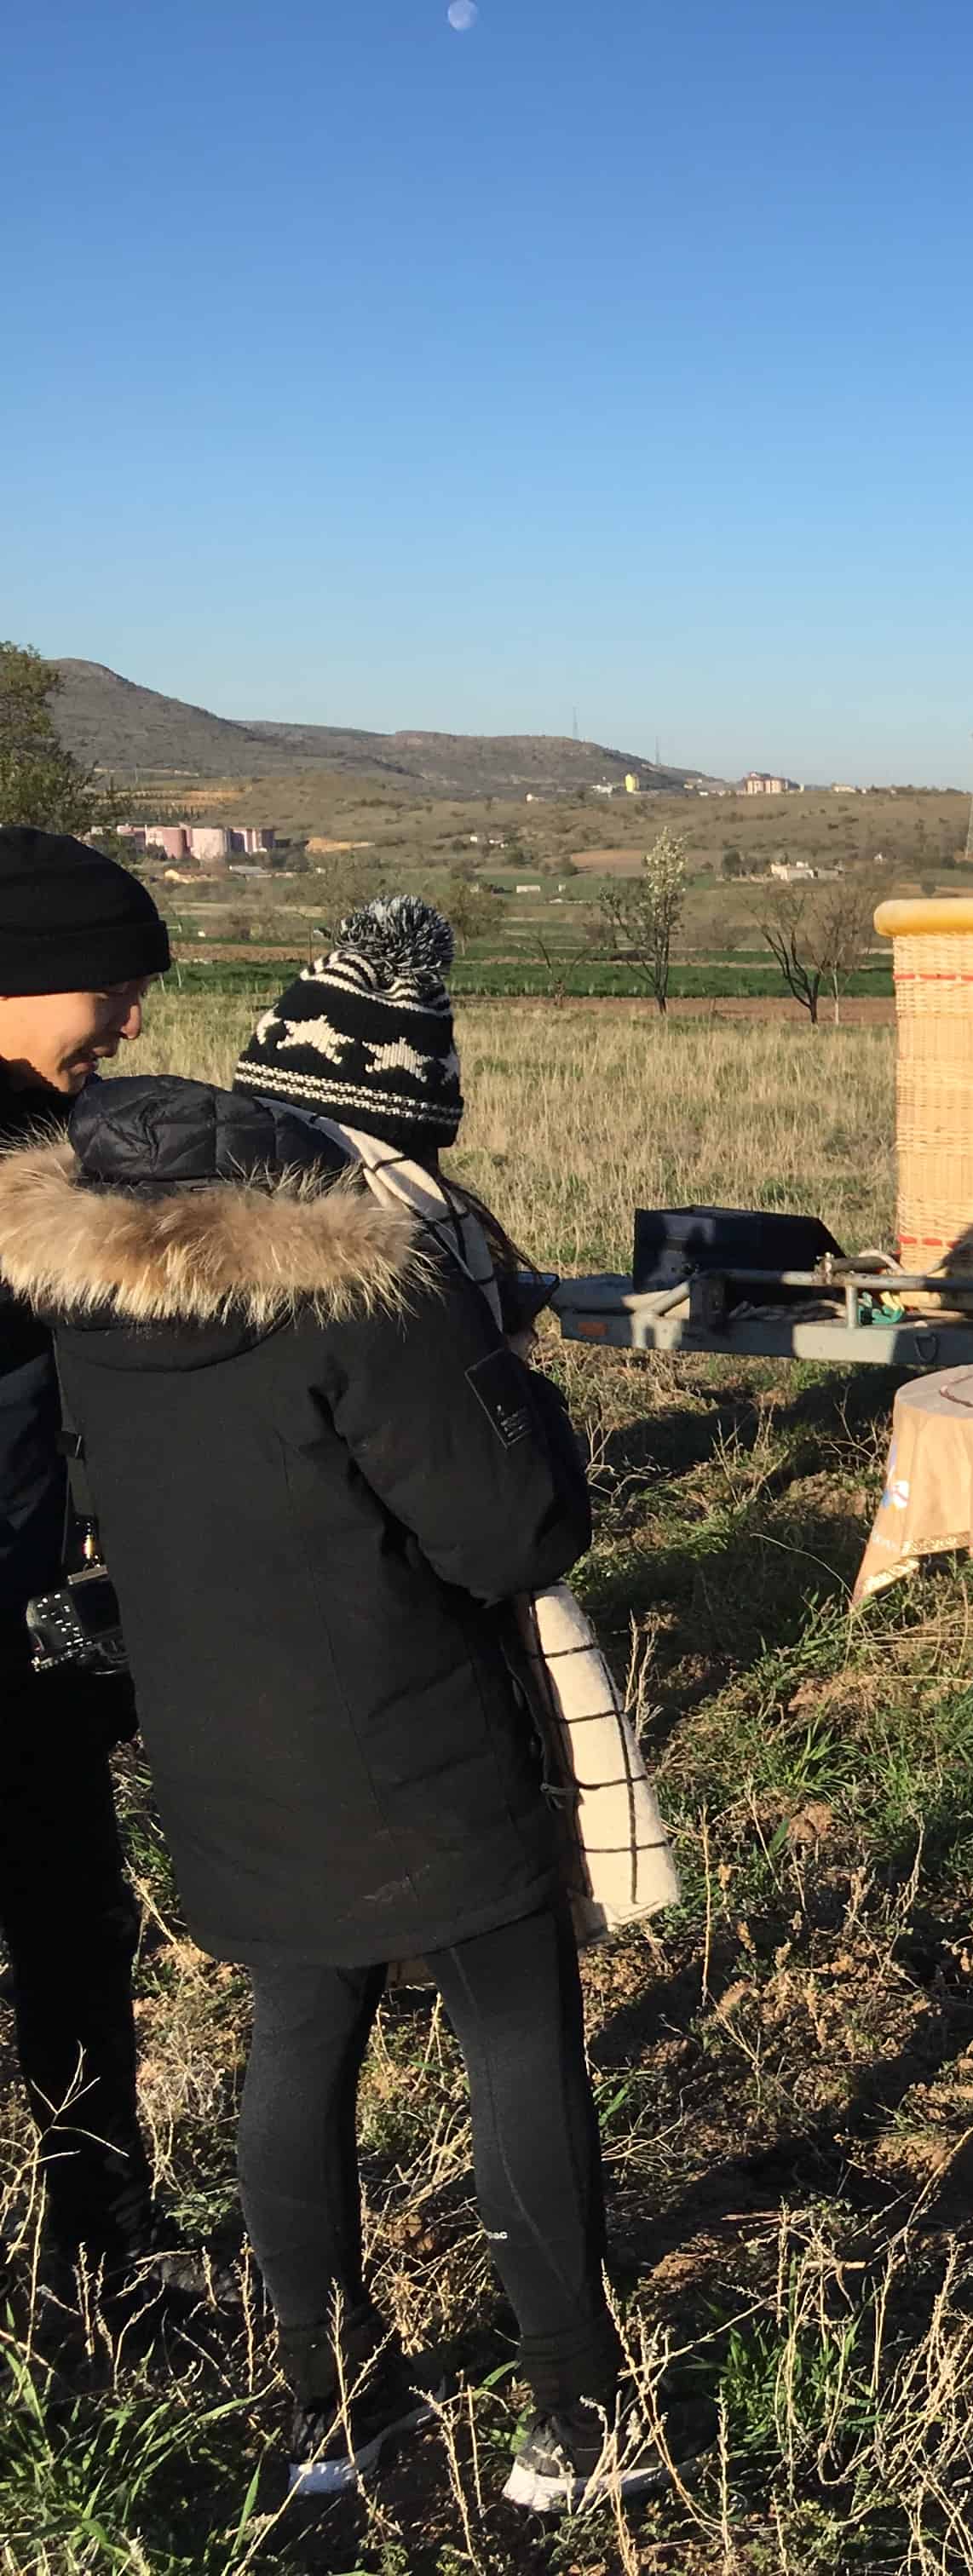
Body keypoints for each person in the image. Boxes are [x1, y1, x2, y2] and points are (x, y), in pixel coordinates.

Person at [0, 989, 641, 2507]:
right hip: (417, 1741)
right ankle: (573, 2406)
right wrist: (523, 1403)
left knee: (293, 2053)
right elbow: (511, 1532)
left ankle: (332, 2413)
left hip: (217, 1753)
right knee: (518, 2052)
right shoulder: (363, 1299)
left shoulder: (85, 1317)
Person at [0, 825, 192, 2317]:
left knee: (76, 1935)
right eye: (115, 985)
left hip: (46, 1628)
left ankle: (108, 2243)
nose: (131, 1015)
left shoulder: (66, 1136)